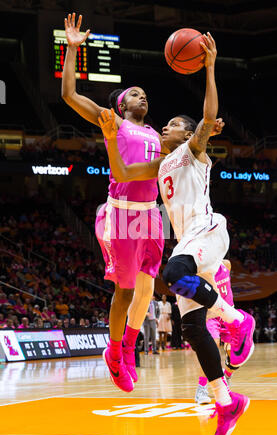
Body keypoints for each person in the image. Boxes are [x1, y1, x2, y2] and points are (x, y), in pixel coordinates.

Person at [98, 32, 254, 435]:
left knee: (172, 272)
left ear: (186, 136)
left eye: (171, 125)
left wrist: (209, 67)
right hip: (189, 243)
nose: (162, 126)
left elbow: (207, 116)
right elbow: (125, 175)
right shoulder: (161, 164)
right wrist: (111, 140)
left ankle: (239, 322)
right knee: (192, 329)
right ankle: (225, 401)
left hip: (207, 230)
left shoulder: (192, 151)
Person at [62, 12, 165, 393]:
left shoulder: (158, 131)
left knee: (148, 291)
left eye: (144, 93)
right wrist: (72, 50)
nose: (143, 96)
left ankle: (128, 347)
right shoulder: (115, 123)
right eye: (134, 93)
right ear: (121, 105)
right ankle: (114, 352)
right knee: (123, 291)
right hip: (121, 215)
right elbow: (69, 96)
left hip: (152, 215)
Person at [195, 259, 240, 404]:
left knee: (237, 353)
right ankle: (201, 389)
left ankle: (226, 377)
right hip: (212, 315)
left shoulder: (226, 264)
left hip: (228, 313)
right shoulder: (202, 270)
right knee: (210, 351)